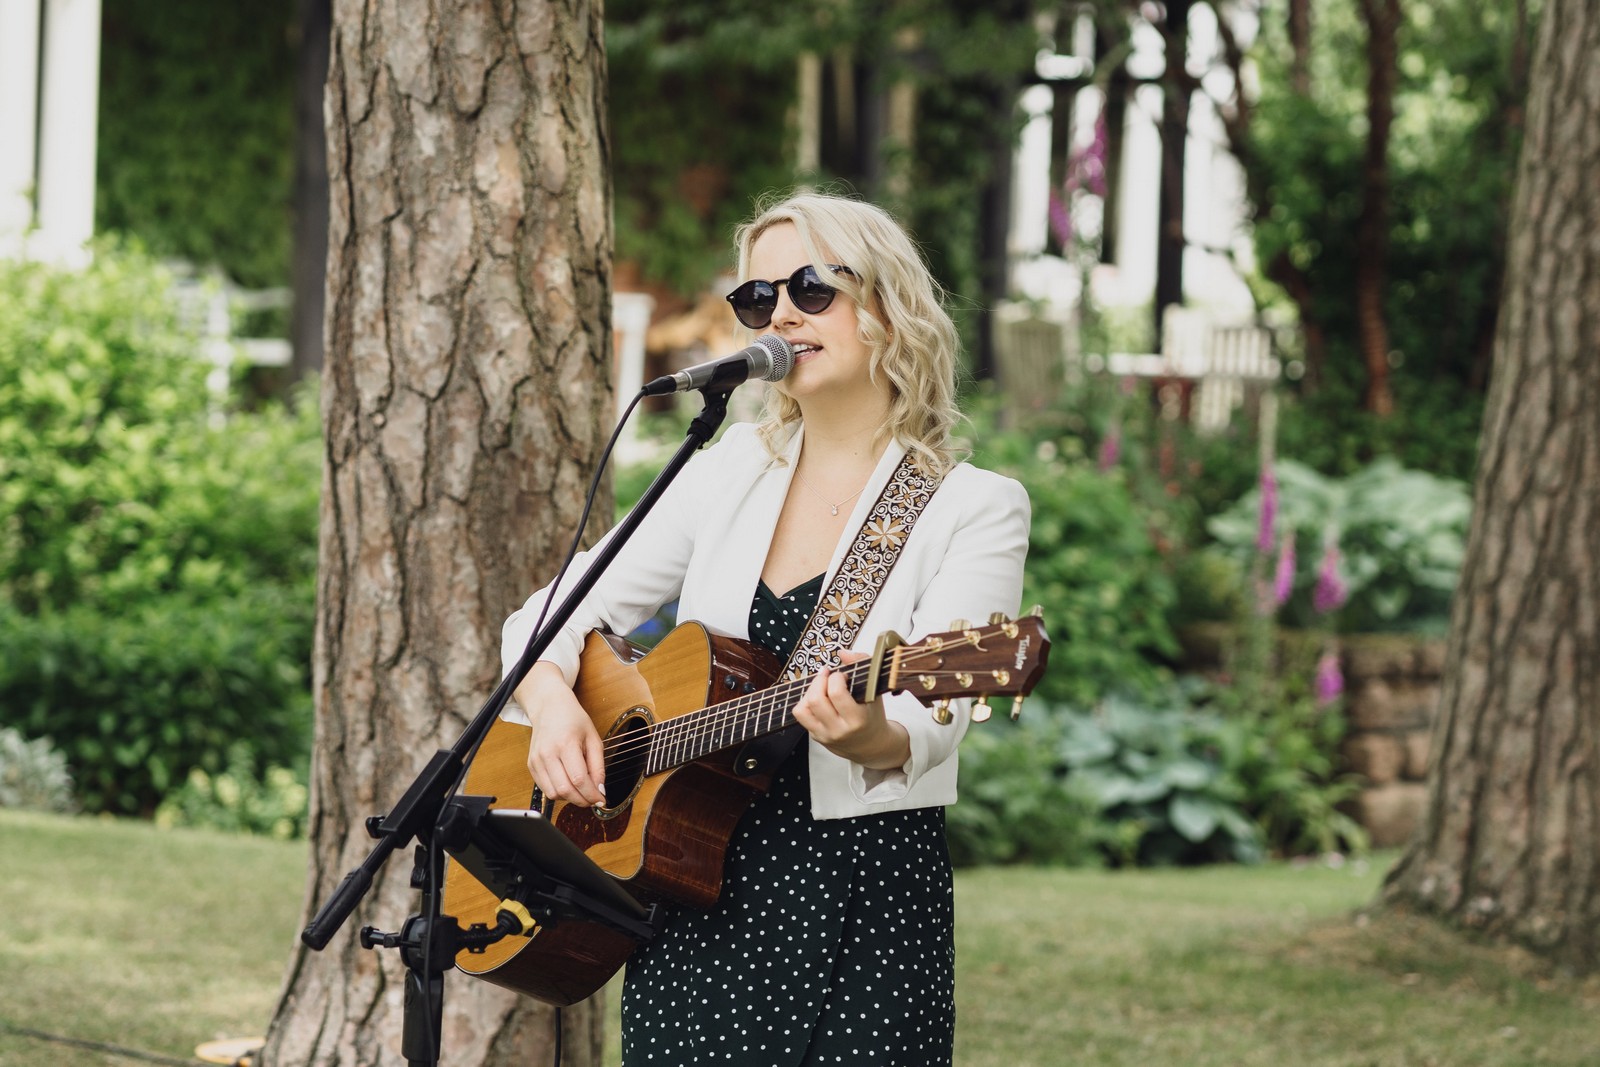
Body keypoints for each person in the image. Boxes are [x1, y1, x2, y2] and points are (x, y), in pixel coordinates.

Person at [501, 191, 1031, 1065]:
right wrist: (556, 706)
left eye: (811, 289)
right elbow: (549, 616)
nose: (780, 313)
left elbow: (927, 729)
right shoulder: (732, 469)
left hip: (862, 905)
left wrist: (866, 732)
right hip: (691, 887)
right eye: (758, 298)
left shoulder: (970, 506)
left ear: (889, 306)